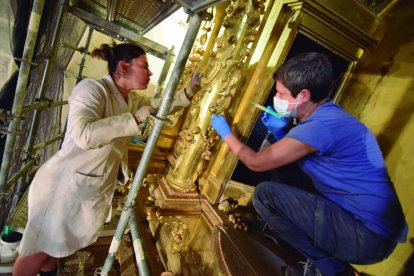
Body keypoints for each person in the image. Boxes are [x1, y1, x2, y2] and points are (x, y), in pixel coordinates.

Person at [211, 52, 408, 276]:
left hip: (367, 237)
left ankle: (331, 268)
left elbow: (256, 163)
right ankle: (321, 259)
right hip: (367, 228)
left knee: (265, 196)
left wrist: (226, 134)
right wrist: (282, 132)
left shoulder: (321, 126)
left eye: (281, 93)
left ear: (303, 95)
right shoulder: (327, 114)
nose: (277, 97)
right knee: (282, 168)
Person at [13, 42, 201, 276]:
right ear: (123, 66)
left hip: (82, 188)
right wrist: (132, 119)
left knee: (54, 251)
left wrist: (187, 93)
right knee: (36, 250)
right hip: (62, 188)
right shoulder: (92, 89)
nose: (150, 72)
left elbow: (157, 106)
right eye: (145, 66)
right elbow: (83, 134)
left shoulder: (129, 99)